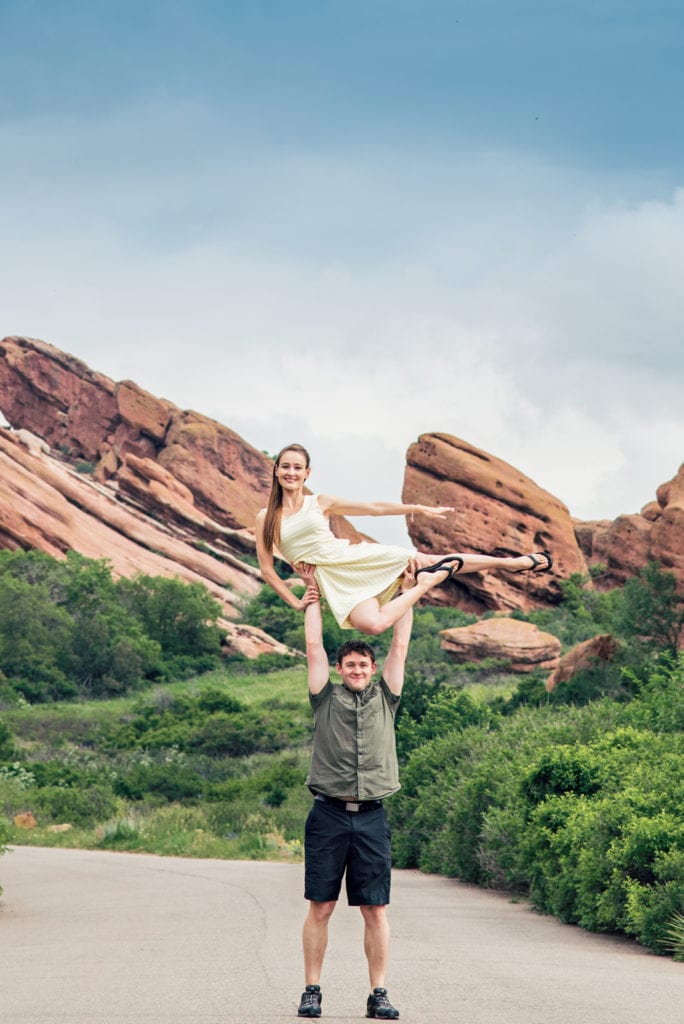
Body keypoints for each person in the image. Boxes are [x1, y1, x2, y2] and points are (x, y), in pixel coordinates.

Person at [255, 443, 552, 636]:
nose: (290, 472)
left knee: (430, 561)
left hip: (353, 559)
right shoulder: (265, 517)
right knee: (373, 625)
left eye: (297, 467)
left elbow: (373, 509)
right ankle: (424, 584)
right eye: (285, 466)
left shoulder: (320, 502)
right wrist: (295, 601)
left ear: (307, 473)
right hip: (334, 582)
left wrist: (417, 508)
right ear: (276, 469)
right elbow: (267, 569)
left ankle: (512, 563)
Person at [297, 576, 410, 1020]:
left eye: (364, 664)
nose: (358, 671)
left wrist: (407, 590)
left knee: (375, 909)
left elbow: (399, 646)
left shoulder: (387, 698)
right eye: (351, 665)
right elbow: (313, 649)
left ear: (371, 666)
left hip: (371, 817)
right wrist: (312, 598)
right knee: (320, 905)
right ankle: (312, 990)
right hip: (327, 813)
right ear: (341, 669)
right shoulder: (324, 699)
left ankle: (378, 993)